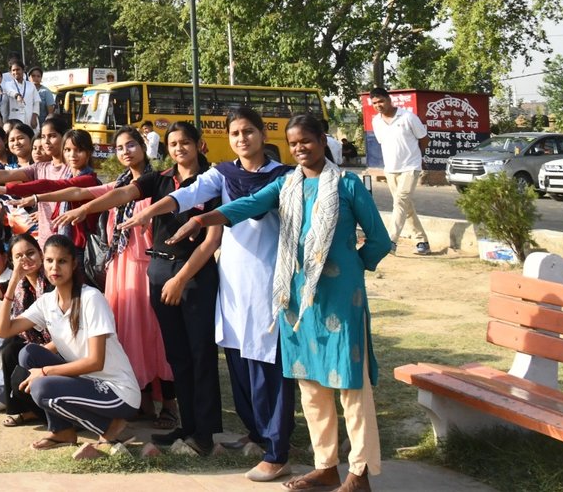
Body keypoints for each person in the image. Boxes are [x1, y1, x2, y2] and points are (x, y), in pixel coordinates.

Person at [173, 113, 392, 492]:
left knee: (351, 387)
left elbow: (379, 240)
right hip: (297, 300)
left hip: (342, 299)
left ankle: (360, 472)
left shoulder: (348, 185)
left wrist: (352, 265)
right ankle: (326, 466)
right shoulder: (286, 184)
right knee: (310, 385)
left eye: (307, 140)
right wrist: (201, 220)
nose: (300, 148)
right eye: (293, 143)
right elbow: (247, 205)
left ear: (324, 141)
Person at [120, 106, 295, 482]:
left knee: (267, 362)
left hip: (267, 278)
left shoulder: (284, 178)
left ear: (263, 134)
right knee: (237, 357)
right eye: (235, 133)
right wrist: (147, 213)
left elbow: (251, 211)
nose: (242, 139)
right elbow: (187, 195)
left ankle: (277, 446)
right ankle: (255, 431)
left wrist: (200, 220)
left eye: (249, 131)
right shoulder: (224, 174)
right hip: (232, 280)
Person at [56, 122, 223, 454]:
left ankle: (204, 433)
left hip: (194, 275)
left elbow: (212, 240)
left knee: (200, 354)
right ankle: (185, 426)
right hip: (160, 271)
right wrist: (87, 208)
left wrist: (180, 279)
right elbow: (123, 193)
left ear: (199, 145)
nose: (179, 149)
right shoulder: (160, 179)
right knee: (178, 355)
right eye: (173, 143)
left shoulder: (213, 181)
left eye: (185, 143)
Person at [0, 235, 141, 452]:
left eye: (62, 261)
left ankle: (110, 426)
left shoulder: (91, 299)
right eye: (50, 261)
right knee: (28, 354)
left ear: (73, 264)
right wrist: (14, 280)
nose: (55, 267)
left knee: (42, 388)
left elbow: (95, 362)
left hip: (117, 392)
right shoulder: (47, 302)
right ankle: (62, 431)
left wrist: (44, 372)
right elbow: (3, 330)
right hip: (86, 382)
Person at [367, 87, 430, 256]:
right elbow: (383, 142)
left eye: (381, 101)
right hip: (391, 169)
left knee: (400, 201)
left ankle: (391, 241)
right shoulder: (376, 122)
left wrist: (419, 158)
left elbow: (424, 139)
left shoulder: (408, 117)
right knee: (404, 205)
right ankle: (421, 240)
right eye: (374, 103)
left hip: (411, 167)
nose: (378, 105)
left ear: (389, 99)